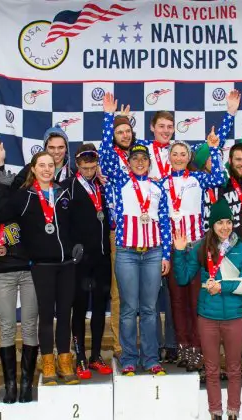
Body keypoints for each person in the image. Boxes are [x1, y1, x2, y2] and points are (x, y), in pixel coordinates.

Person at [0, 152, 79, 386]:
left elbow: (74, 224)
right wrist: (5, 187)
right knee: (46, 318)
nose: (47, 169)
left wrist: (77, 247)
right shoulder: (24, 196)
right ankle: (48, 362)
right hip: (42, 266)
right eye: (42, 165)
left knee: (64, 316)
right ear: (33, 169)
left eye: (51, 165)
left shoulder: (63, 192)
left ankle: (64, 360)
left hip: (67, 265)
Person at [173, 199, 242, 420]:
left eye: (228, 222)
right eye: (219, 223)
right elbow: (183, 278)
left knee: (235, 368)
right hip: (207, 316)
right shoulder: (201, 247)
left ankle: (234, 412)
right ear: (212, 225)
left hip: (235, 316)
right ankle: (215, 412)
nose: (225, 227)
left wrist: (223, 286)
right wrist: (179, 252)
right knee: (211, 369)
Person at [102, 139, 171, 376]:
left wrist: (166, 255)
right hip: (127, 252)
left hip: (153, 253)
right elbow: (106, 158)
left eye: (143, 159)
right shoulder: (121, 182)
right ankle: (129, 357)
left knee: (150, 308)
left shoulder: (157, 188)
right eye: (135, 159)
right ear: (128, 163)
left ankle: (151, 358)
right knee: (129, 308)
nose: (140, 162)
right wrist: (108, 118)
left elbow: (164, 223)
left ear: (149, 163)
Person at [0, 138, 40, 404]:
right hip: (4, 272)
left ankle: (26, 383)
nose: (31, 179)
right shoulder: (11, 197)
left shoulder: (41, 199)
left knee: (30, 326)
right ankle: (10, 386)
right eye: (28, 174)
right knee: (6, 327)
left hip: (30, 272)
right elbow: (1, 203)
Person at [164, 128, 225, 371]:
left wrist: (212, 149)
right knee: (177, 302)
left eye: (183, 154)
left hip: (196, 246)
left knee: (195, 300)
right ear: (169, 157)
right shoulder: (160, 183)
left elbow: (219, 177)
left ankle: (199, 351)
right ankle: (184, 349)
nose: (179, 157)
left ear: (188, 157)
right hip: (174, 248)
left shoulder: (198, 179)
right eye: (175, 154)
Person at [63, 144, 114, 379]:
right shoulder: (68, 188)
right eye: (85, 166)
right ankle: (80, 357)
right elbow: (62, 223)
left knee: (100, 307)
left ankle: (95, 356)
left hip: (102, 258)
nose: (89, 170)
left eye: (93, 166)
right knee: (80, 308)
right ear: (76, 164)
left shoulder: (101, 186)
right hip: (80, 261)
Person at [99, 98, 137, 361]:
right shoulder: (111, 160)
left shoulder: (139, 156)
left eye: (127, 131)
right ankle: (121, 346)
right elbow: (103, 149)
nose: (125, 135)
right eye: (119, 132)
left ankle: (144, 344)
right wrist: (108, 118)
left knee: (144, 296)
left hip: (145, 233)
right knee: (119, 292)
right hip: (119, 233)